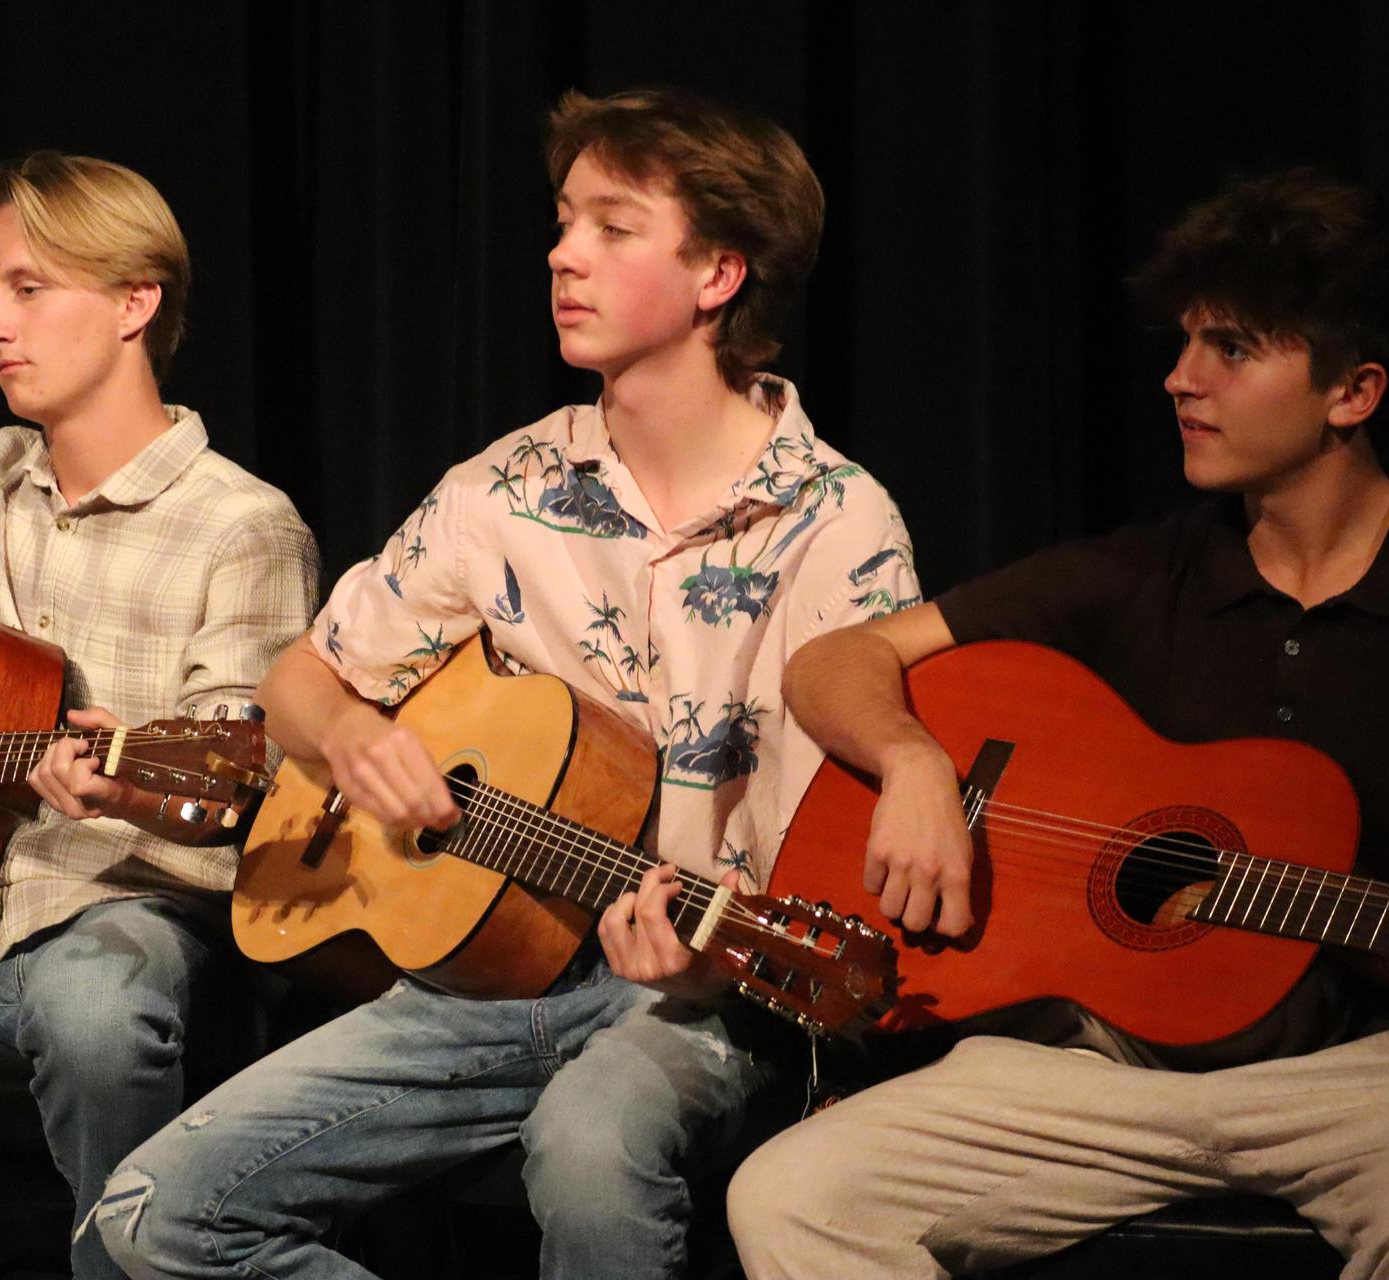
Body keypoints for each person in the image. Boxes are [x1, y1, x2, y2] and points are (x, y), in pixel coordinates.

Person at [727, 170, 1389, 1280]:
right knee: (791, 1195)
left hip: (1378, 1073)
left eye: (1231, 349)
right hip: (1102, 1065)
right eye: (1187, 341)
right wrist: (909, 761)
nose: (1179, 378)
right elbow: (838, 658)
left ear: (1354, 391)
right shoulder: (1144, 569)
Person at [95, 87, 919, 1280]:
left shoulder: (837, 522)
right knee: (152, 1214)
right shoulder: (507, 484)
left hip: (716, 984)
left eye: (611, 227)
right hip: (488, 971)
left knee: (588, 1147)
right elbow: (298, 677)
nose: (561, 252)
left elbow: (857, 839)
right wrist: (346, 733)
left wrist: (706, 958)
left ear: (720, 274)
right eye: (562, 220)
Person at [0, 152, 320, 1280]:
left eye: (28, 289)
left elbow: (233, 780)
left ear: (135, 302)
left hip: (139, 918)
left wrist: (126, 781)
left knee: (89, 1010)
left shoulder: (244, 526)